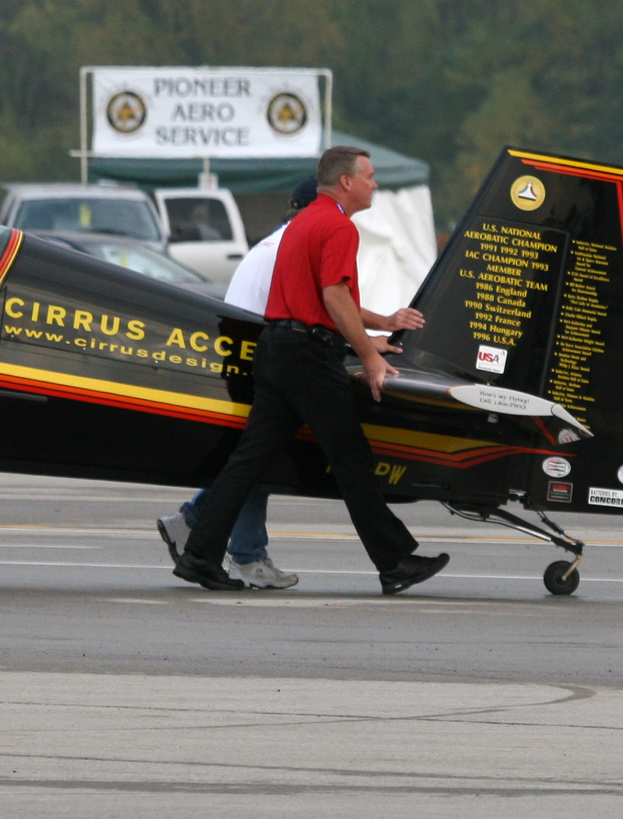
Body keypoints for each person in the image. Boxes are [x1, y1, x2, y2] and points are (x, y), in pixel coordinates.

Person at [173, 147, 451, 596]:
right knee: (352, 461)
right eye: (370, 177)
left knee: (249, 461)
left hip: (279, 350)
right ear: (346, 182)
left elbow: (323, 295)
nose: (375, 184)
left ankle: (200, 556)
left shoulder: (301, 224)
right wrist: (370, 354)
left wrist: (384, 322)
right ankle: (395, 561)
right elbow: (333, 297)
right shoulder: (339, 226)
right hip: (308, 356)